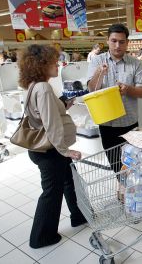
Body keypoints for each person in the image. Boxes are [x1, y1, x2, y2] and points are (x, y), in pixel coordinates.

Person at [17, 44, 86, 249]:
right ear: (41, 64)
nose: (58, 64)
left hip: (42, 149)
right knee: (51, 192)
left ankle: (78, 215)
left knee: (69, 181)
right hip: (51, 151)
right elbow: (51, 124)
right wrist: (66, 150)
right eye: (53, 61)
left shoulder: (33, 86)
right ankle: (41, 237)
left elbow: (44, 113)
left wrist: (64, 104)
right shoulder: (44, 88)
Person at [87, 23, 142, 154]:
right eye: (114, 41)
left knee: (131, 162)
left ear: (127, 43)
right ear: (107, 40)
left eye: (122, 42)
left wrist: (128, 89)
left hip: (129, 122)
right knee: (113, 161)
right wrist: (99, 73)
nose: (117, 46)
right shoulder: (97, 61)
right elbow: (92, 89)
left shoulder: (137, 64)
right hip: (106, 123)